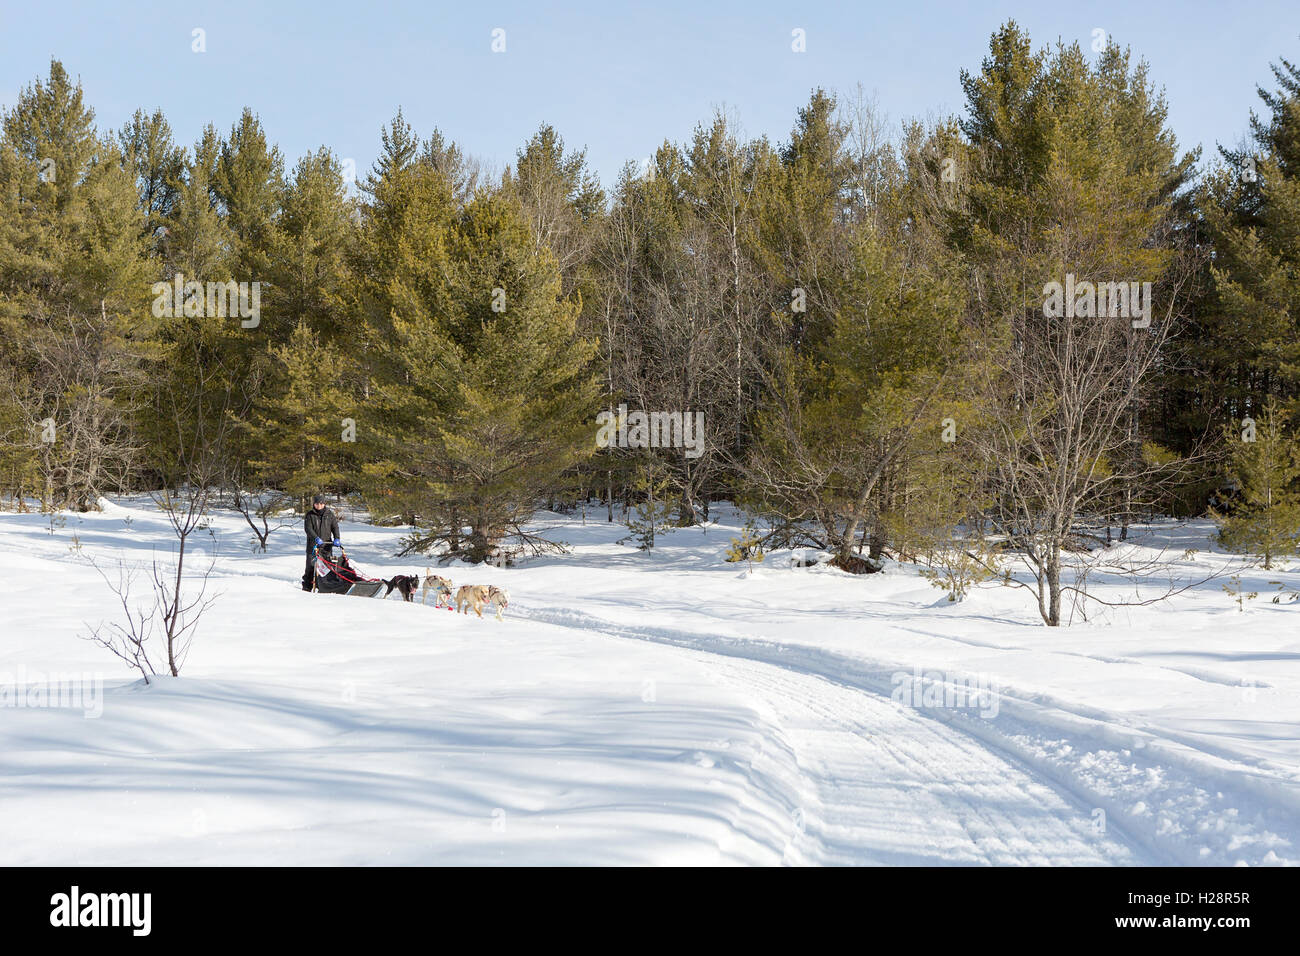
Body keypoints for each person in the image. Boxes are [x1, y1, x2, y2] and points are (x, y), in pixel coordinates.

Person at [302, 493, 342, 591]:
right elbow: (308, 528)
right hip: (313, 546)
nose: (319, 505)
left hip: (326, 546)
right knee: (311, 568)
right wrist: (315, 538)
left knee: (327, 568)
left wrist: (337, 538)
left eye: (321, 503)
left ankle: (324, 587)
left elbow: (335, 527)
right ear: (314, 504)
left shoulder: (329, 514)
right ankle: (307, 587)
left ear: (324, 504)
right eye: (316, 504)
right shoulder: (310, 515)